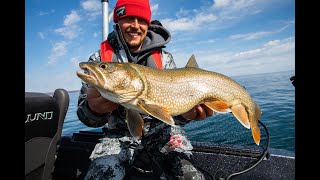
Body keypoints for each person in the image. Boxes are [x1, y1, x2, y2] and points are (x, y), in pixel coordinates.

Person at [77, 0, 214, 179]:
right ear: (117, 21)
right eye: (128, 18)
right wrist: (94, 110)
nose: (135, 26)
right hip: (117, 135)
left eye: (141, 20)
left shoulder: (165, 60)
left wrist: (185, 115)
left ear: (147, 24)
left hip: (163, 132)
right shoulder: (98, 59)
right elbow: (85, 117)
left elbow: (173, 114)